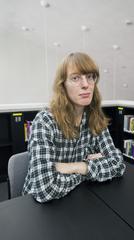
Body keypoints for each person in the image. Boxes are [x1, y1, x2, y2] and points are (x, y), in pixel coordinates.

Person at [22, 52, 126, 203]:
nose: (86, 84)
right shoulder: (45, 121)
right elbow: (44, 189)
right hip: (34, 206)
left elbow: (118, 164)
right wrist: (92, 169)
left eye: (90, 76)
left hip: (75, 199)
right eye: (75, 78)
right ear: (62, 85)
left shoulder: (95, 118)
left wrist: (77, 167)